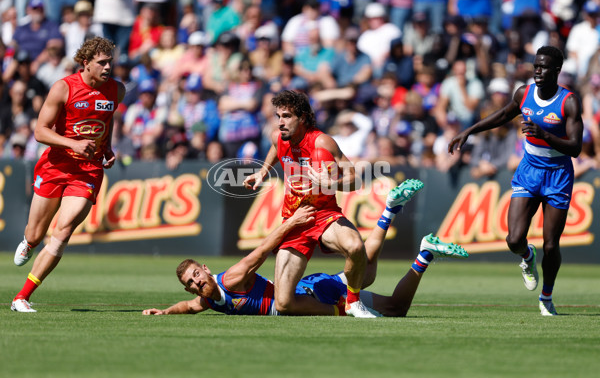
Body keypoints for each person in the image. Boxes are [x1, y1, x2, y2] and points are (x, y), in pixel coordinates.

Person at [142, 181, 469, 317]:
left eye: (197, 275)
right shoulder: (207, 299)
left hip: (312, 296)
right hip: (309, 287)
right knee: (367, 273)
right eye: (192, 283)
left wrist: (292, 222)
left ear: (205, 268)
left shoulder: (230, 280)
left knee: (378, 288)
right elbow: (188, 306)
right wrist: (165, 311)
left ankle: (408, 233)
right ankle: (412, 237)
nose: (197, 283)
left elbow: (262, 250)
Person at [448, 46, 584, 316]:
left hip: (558, 174)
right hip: (530, 169)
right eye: (535, 65)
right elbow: (503, 115)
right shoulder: (524, 93)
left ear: (557, 70)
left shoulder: (569, 102)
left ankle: (546, 297)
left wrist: (544, 134)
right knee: (513, 239)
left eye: (544, 67)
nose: (537, 70)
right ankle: (526, 257)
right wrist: (469, 130)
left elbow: (576, 148)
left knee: (550, 244)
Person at [11, 37, 126, 312]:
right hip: (56, 166)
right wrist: (73, 143)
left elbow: (104, 122)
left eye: (110, 61)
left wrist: (107, 146)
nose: (108, 67)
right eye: (102, 62)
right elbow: (40, 131)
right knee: (37, 233)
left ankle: (22, 297)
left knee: (63, 231)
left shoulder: (117, 90)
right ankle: (30, 242)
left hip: (87, 170)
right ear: (85, 63)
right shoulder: (63, 88)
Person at [241, 90, 378, 318]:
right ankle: (337, 308)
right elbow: (276, 148)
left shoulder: (322, 141)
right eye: (278, 116)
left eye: (286, 116)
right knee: (283, 304)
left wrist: (330, 183)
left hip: (323, 214)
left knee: (354, 246)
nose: (281, 122)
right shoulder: (278, 136)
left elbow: (355, 179)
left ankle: (353, 302)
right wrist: (263, 171)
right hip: (294, 221)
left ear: (302, 117)